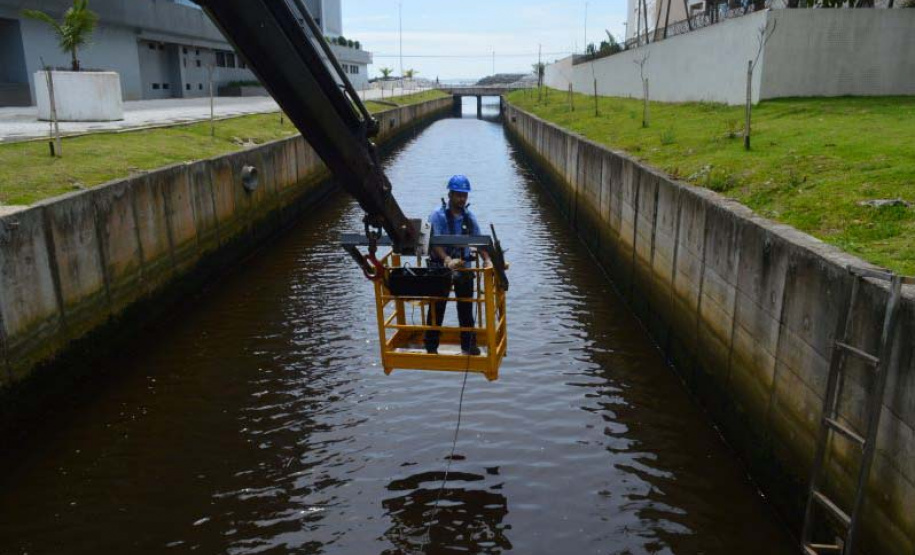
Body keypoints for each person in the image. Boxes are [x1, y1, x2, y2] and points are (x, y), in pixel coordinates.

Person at [424, 175, 492, 356]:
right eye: (459, 195)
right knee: (437, 306)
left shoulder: (468, 217)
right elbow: (434, 242)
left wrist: (486, 259)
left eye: (465, 195)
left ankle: (468, 345)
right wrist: (447, 260)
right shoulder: (437, 215)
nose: (462, 199)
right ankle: (431, 346)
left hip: (463, 266)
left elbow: (479, 241)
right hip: (441, 266)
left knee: (466, 306)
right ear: (450, 194)